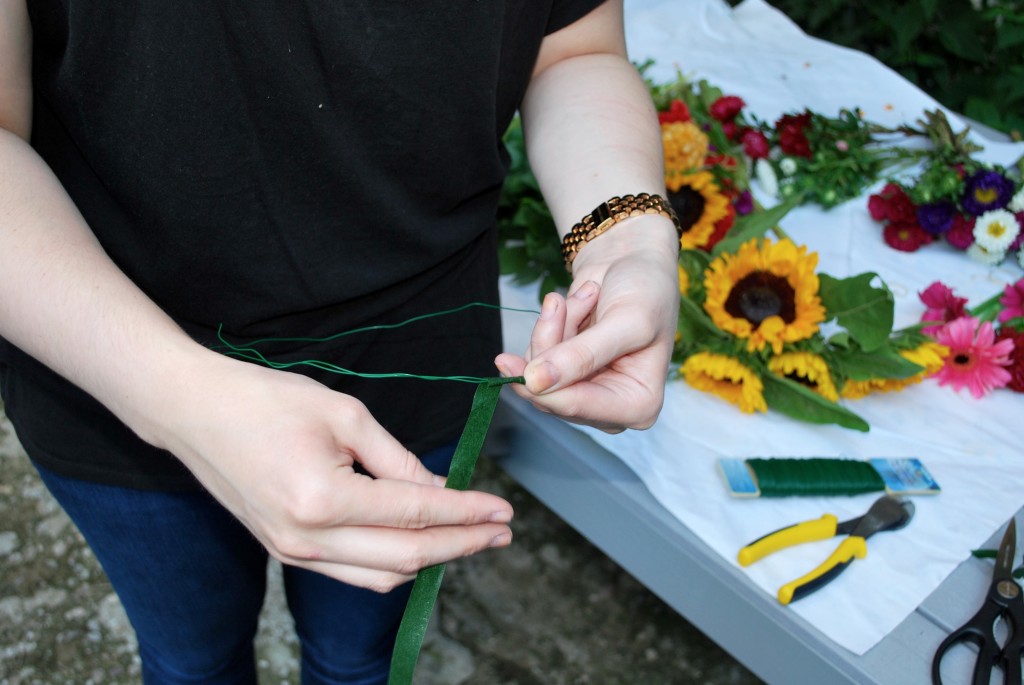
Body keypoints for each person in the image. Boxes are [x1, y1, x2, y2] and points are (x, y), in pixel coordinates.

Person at [0, 0, 680, 682]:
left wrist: (626, 234)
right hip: (107, 361)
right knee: (191, 661)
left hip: (418, 359)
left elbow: (572, 46)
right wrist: (178, 397)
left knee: (360, 660)